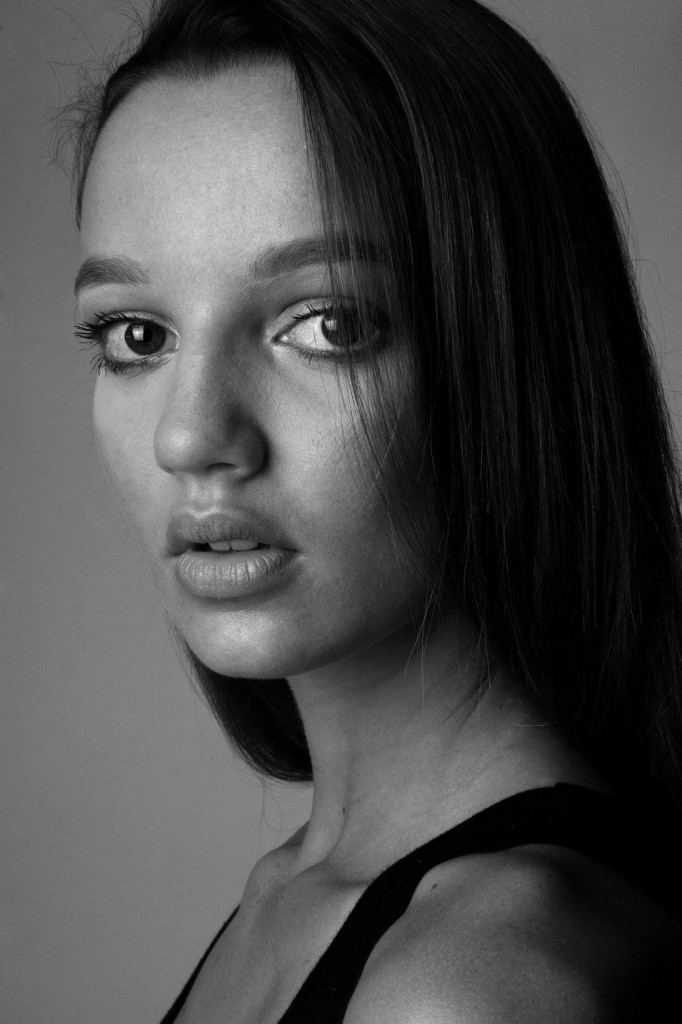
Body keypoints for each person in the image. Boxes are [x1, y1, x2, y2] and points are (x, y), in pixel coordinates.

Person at [62, 0, 682, 1019]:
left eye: (328, 323)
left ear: (511, 358)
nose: (190, 435)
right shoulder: (295, 892)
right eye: (137, 335)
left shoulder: (464, 982)